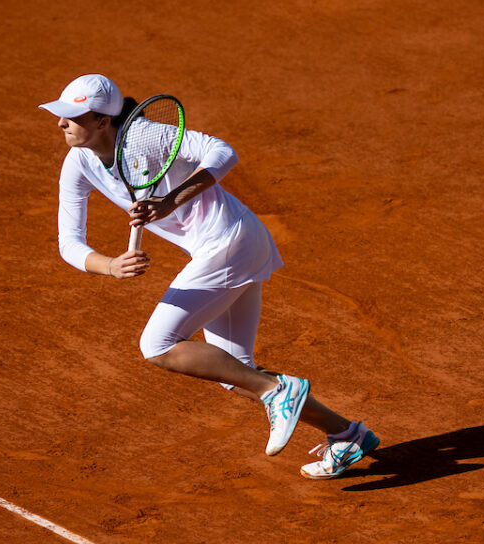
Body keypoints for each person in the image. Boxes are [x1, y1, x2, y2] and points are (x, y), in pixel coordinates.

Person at [39, 74, 378, 479]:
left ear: (101, 122)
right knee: (235, 371)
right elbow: (69, 244)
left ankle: (279, 391)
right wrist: (110, 265)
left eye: (72, 116)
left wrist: (169, 201)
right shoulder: (78, 163)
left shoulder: (145, 136)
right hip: (234, 243)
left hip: (228, 241)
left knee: (158, 344)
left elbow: (222, 152)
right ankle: (347, 434)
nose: (61, 123)